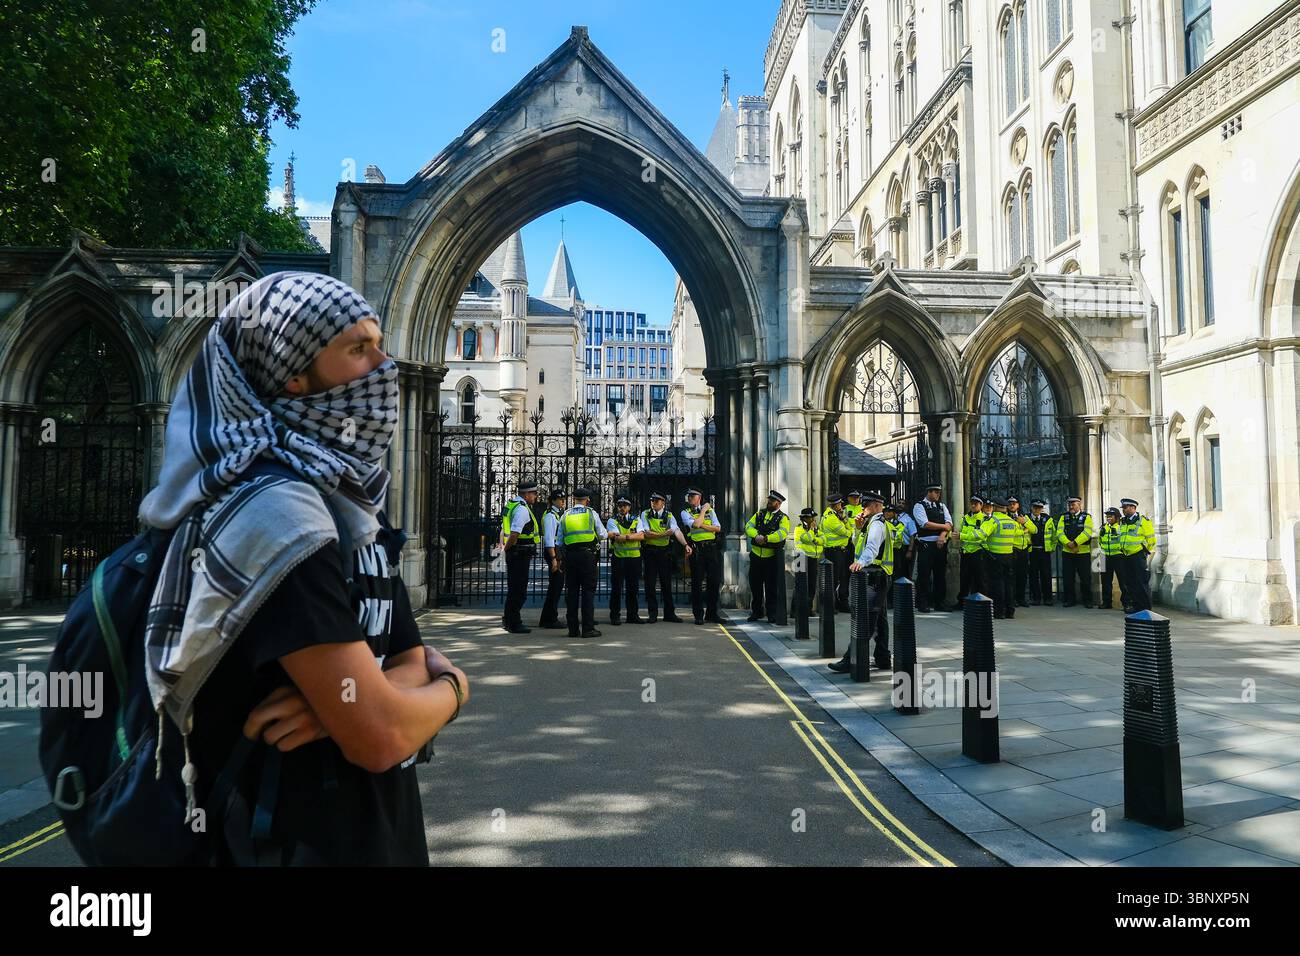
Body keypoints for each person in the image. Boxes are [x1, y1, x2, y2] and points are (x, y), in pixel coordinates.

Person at [139, 271, 467, 866]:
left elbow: (407, 661)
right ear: (291, 372)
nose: (386, 369)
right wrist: (455, 688)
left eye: (380, 343)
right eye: (357, 349)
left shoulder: (349, 506)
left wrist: (363, 700)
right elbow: (384, 735)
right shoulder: (276, 516)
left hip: (376, 835)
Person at [828, 493, 893, 674]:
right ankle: (883, 658)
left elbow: (871, 548)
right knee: (880, 620)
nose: (862, 510)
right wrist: (857, 529)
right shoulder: (869, 524)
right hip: (877, 576)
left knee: (865, 621)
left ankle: (852, 659)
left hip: (875, 576)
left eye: (864, 506)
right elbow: (858, 543)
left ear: (873, 506)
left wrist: (860, 563)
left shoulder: (877, 525)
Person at [560, 487, 608, 637]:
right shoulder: (591, 513)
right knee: (588, 592)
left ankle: (573, 629)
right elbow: (603, 534)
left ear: (574, 500)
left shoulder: (565, 515)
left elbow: (559, 540)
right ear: (587, 500)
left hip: (570, 557)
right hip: (587, 557)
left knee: (572, 591)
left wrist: (559, 558)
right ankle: (588, 628)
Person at [638, 492, 690, 623]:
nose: (653, 503)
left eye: (656, 501)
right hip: (650, 552)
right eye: (652, 500)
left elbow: (676, 531)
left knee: (666, 584)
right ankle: (653, 614)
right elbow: (646, 533)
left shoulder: (669, 515)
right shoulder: (645, 514)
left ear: (663, 502)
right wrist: (664, 534)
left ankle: (669, 614)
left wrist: (685, 545)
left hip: (664, 553)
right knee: (650, 584)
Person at [746, 490, 790, 624]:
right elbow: (748, 526)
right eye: (769, 500)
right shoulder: (760, 514)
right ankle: (756, 612)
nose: (769, 503)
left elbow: (782, 533)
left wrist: (766, 538)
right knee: (755, 586)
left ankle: (772, 613)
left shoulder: (783, 518)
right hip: (756, 556)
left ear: (778, 503)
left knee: (771, 587)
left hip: (771, 558)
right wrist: (756, 536)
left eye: (772, 501)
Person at [501, 482, 540, 634]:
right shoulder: (522, 510)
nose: (536, 497)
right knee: (519, 590)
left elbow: (504, 529)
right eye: (534, 494)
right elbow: (514, 534)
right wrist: (507, 548)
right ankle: (514, 622)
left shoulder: (511, 505)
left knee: (513, 588)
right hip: (519, 553)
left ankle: (508, 619)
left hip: (515, 553)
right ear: (527, 494)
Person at [681, 489, 723, 625]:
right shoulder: (686, 512)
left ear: (699, 497)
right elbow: (695, 525)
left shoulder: (712, 511)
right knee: (697, 583)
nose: (689, 498)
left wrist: (702, 523)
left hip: (711, 549)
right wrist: (703, 511)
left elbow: (717, 528)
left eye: (692, 496)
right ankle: (698, 614)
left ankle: (712, 613)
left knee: (714, 582)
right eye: (689, 496)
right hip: (697, 550)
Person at [912, 483, 954, 613]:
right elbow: (925, 524)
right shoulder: (919, 506)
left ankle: (939, 602)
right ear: (928, 492)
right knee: (924, 574)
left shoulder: (942, 506)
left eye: (939, 492)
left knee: (940, 574)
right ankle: (922, 602)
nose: (938, 494)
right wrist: (943, 528)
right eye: (935, 491)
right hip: (926, 544)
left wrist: (942, 535)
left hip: (940, 544)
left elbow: (949, 524)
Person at [607, 496, 645, 626]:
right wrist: (632, 536)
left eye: (625, 505)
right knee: (617, 588)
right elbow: (617, 537)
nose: (622, 508)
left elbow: (642, 535)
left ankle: (632, 615)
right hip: (619, 557)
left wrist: (626, 536)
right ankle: (615, 616)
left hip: (634, 558)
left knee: (632, 588)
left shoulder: (636, 519)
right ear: (617, 507)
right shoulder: (612, 520)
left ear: (629, 507)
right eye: (620, 505)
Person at [1117, 497, 1156, 612]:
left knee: (1141, 582)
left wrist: (1144, 550)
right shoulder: (1123, 521)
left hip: (1138, 555)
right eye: (1123, 508)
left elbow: (1151, 540)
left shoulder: (1143, 520)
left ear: (1133, 508)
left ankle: (1145, 607)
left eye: (1125, 507)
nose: (1123, 510)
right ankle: (1135, 606)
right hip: (1125, 555)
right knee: (1130, 582)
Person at [1057, 495, 1095, 607]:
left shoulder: (1086, 517)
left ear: (1079, 505)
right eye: (1069, 504)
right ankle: (1069, 600)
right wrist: (1068, 543)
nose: (1071, 506)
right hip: (1067, 552)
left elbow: (1087, 533)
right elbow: (1059, 533)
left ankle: (1087, 600)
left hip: (1083, 553)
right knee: (1068, 577)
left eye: (1073, 504)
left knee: (1085, 578)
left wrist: (1075, 543)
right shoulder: (1063, 517)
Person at [983, 497, 1018, 619]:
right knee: (1009, 584)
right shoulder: (1012, 522)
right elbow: (1019, 535)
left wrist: (962, 535)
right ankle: (1010, 611)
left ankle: (999, 611)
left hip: (995, 556)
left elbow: (981, 534)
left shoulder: (993, 520)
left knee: (997, 584)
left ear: (995, 507)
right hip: (1009, 555)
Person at [538, 488, 568, 629]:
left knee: (557, 586)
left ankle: (549, 616)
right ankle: (549, 618)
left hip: (558, 552)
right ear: (553, 500)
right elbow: (549, 539)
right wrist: (554, 559)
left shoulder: (558, 514)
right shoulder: (551, 516)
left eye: (564, 499)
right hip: (554, 553)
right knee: (555, 587)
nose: (563, 501)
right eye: (560, 499)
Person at [821, 493, 854, 612]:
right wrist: (847, 525)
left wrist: (845, 519)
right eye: (840, 504)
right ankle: (831, 604)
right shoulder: (830, 518)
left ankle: (843, 602)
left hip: (843, 551)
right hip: (834, 551)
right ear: (836, 505)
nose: (841, 507)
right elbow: (848, 532)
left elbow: (849, 527)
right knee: (834, 579)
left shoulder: (838, 516)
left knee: (844, 577)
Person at [791, 507, 823, 618]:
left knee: (811, 585)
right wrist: (812, 532)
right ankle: (795, 611)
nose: (813, 520)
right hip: (800, 558)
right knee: (800, 585)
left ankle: (808, 609)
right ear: (804, 518)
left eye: (813, 517)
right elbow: (806, 539)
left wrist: (815, 538)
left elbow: (823, 539)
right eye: (811, 518)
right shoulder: (799, 529)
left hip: (813, 558)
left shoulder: (815, 529)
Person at [957, 494, 987, 600]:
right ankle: (962, 602)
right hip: (966, 552)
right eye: (972, 503)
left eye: (976, 503)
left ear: (981, 505)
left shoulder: (985, 519)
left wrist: (962, 536)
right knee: (964, 579)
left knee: (980, 579)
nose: (973, 505)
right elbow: (959, 531)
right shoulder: (965, 518)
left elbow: (980, 537)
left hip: (978, 552)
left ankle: (981, 601)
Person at [1026, 499, 1055, 606]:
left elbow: (1054, 535)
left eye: (1039, 508)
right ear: (1031, 508)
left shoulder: (1048, 519)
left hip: (1044, 551)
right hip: (1031, 551)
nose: (1037, 509)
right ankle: (1036, 598)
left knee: (1046, 575)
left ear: (1042, 509)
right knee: (1033, 575)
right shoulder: (1026, 518)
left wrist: (1052, 547)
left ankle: (1048, 598)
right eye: (1035, 507)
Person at [1098, 507, 1125, 611]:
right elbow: (1100, 541)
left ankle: (1126, 603)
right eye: (1107, 516)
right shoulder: (1103, 528)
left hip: (1118, 556)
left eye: (1111, 516)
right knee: (1105, 581)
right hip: (1104, 556)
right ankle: (1106, 602)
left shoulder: (1121, 528)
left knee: (1123, 581)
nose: (1108, 517)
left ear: (1117, 517)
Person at [1007, 496, 1031, 608]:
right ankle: (1013, 599)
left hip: (1024, 550)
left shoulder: (1023, 516)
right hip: (1012, 549)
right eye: (1010, 503)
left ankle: (1021, 598)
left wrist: (1025, 523)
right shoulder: (1006, 518)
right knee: (1012, 576)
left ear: (1018, 505)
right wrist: (1024, 531)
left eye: (1014, 503)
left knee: (1022, 575)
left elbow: (1035, 529)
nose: (1012, 505)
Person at [893, 500, 917, 583]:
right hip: (893, 548)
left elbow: (912, 535)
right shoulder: (891, 516)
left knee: (902, 571)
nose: (900, 505)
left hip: (903, 549)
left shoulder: (908, 519)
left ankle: (903, 592)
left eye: (903, 504)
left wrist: (910, 551)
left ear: (906, 507)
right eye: (899, 503)